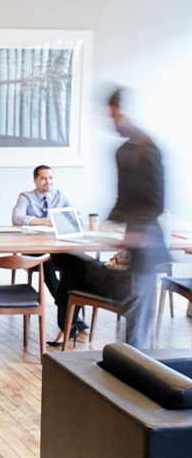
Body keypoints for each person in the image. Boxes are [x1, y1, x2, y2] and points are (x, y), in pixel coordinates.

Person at [106, 88, 169, 348]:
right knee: (131, 305)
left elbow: (156, 202)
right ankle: (129, 362)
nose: (114, 123)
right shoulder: (122, 152)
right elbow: (123, 198)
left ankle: (136, 365)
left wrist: (138, 233)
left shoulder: (149, 149)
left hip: (148, 241)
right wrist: (111, 226)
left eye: (115, 116)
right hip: (132, 238)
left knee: (140, 307)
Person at [12, 165, 86, 332]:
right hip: (33, 249)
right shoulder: (26, 197)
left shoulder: (60, 196)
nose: (48, 182)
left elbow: (77, 216)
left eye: (50, 178)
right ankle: (64, 305)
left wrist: (71, 219)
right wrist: (49, 220)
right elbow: (17, 218)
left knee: (78, 259)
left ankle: (69, 307)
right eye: (44, 178)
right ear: (35, 180)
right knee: (45, 259)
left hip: (57, 247)